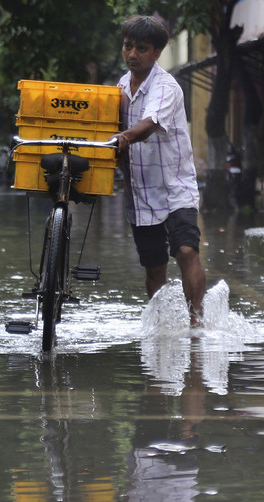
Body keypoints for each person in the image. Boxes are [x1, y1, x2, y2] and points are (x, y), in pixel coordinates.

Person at [111, 15, 205, 325]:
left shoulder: (166, 87)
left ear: (156, 53)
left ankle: (196, 323)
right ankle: (162, 325)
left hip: (176, 187)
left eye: (141, 48)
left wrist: (124, 136)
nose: (132, 54)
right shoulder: (121, 87)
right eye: (128, 47)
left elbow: (149, 124)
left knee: (187, 251)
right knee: (154, 266)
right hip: (141, 193)